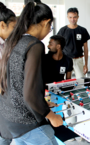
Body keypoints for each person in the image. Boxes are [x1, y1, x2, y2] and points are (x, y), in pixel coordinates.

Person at [0, 2, 63, 145]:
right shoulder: (34, 45)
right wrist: (51, 116)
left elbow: (14, 83)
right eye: (50, 27)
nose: (48, 31)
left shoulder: (14, 40)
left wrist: (42, 103)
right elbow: (30, 95)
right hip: (27, 123)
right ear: (46, 22)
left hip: (9, 119)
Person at [0, 2, 17, 145]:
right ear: (2, 25)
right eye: (13, 27)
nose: (15, 30)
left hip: (6, 93)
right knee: (4, 133)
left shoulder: (5, 43)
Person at [57, 7, 90, 79]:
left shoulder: (83, 30)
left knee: (81, 81)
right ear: (67, 17)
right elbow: (58, 46)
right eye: (70, 17)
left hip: (78, 60)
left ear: (78, 17)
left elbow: (85, 48)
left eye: (74, 17)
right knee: (65, 82)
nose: (72, 19)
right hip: (65, 60)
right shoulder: (62, 30)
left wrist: (86, 64)